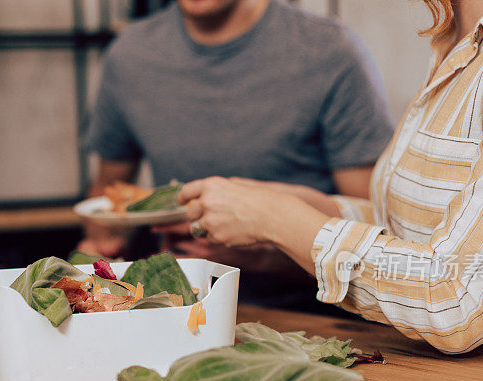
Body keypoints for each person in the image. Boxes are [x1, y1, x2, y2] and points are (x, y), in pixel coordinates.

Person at [178, 0, 483, 353]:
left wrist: (279, 220)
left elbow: (456, 298)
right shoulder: (456, 37)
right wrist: (300, 207)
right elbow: (433, 235)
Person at [80, 0, 394, 305]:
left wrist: (266, 253)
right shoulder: (129, 55)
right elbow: (109, 197)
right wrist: (104, 244)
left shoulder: (329, 51)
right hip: (180, 307)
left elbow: (376, 235)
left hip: (312, 312)